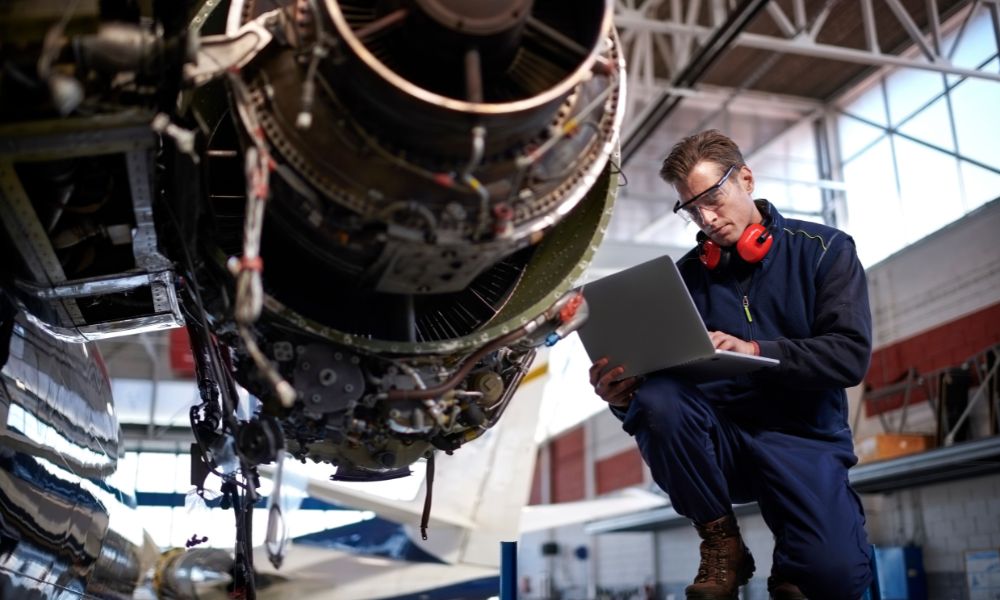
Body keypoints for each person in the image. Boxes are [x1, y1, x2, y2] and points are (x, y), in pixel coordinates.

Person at [589, 130, 873, 600]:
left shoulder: (824, 250)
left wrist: (758, 351)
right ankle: (722, 544)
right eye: (691, 209)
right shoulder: (680, 281)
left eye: (712, 198)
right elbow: (665, 400)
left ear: (745, 178)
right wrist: (624, 398)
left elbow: (848, 356)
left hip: (804, 440)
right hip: (723, 444)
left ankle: (796, 571)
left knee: (833, 576)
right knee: (657, 397)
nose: (706, 217)